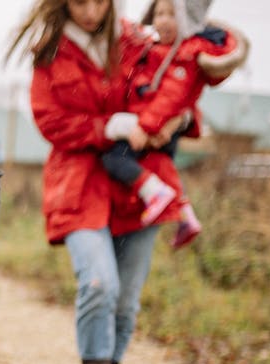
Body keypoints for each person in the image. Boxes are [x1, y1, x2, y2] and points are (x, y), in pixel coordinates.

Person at [8, 0, 174, 364]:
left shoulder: (136, 41)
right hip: (79, 184)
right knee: (100, 285)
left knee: (126, 305)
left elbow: (174, 82)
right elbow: (51, 121)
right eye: (79, 1)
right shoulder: (50, 51)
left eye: (98, 0)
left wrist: (170, 117)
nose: (89, 11)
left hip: (139, 185)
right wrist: (108, 127)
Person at [101, 0, 248, 249]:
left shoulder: (184, 55)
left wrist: (145, 128)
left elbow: (171, 98)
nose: (163, 20)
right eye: (159, 14)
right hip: (158, 126)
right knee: (164, 166)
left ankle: (153, 193)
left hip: (153, 126)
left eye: (172, 14)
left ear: (187, 21)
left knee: (114, 159)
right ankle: (186, 217)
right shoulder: (157, 50)